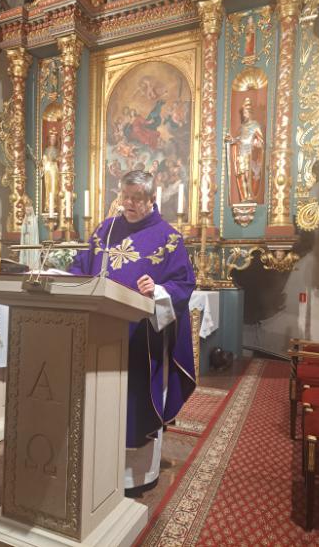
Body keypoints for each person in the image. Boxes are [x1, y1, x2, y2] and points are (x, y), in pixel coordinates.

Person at [69, 170, 196, 490]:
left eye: (136, 198)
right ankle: (97, 469)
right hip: (99, 333)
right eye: (125, 196)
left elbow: (183, 284)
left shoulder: (169, 238)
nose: (128, 203)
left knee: (134, 406)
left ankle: (135, 477)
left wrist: (158, 290)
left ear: (152, 199)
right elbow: (81, 266)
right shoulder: (106, 230)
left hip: (141, 340)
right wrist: (64, 278)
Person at [226, 97, 264, 202]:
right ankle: (244, 197)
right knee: (241, 174)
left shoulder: (255, 125)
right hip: (241, 152)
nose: (244, 115)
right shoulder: (241, 127)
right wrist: (231, 140)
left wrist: (256, 143)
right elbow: (239, 139)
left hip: (249, 152)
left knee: (248, 174)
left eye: (245, 112)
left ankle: (250, 195)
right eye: (243, 113)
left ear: (249, 112)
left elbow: (261, 140)